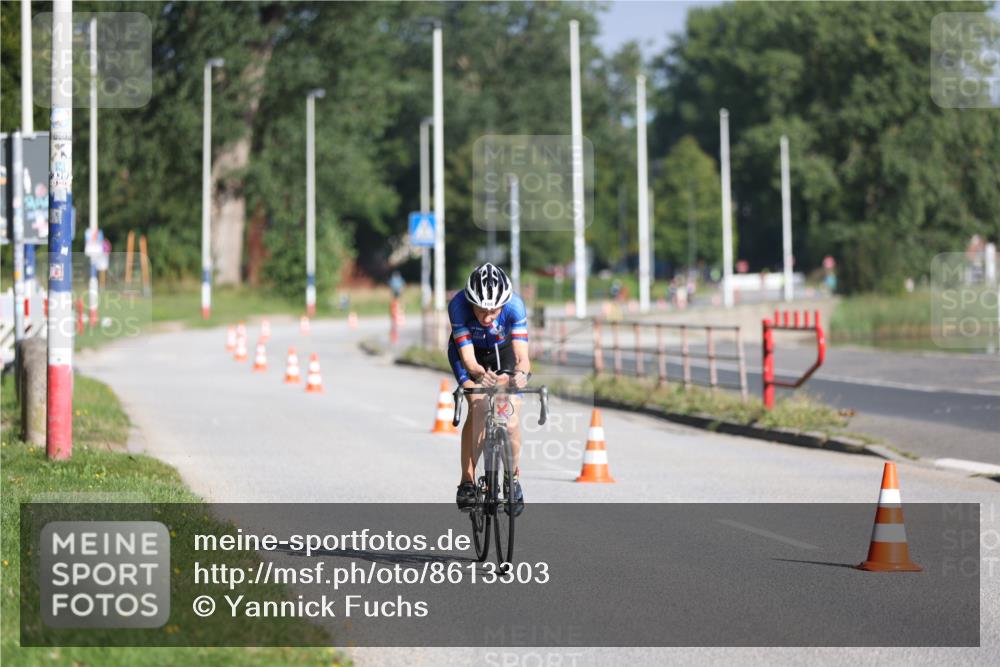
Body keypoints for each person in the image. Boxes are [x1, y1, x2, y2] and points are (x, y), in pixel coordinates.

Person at [448, 263, 531, 514]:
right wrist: (477, 376)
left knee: (512, 418)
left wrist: (521, 376)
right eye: (481, 310)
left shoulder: (515, 306)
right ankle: (468, 481)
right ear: (470, 302)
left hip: (502, 353)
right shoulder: (458, 306)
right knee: (478, 406)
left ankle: (512, 479)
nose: (486, 317)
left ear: (504, 305)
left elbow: (522, 358)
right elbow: (469, 359)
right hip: (469, 356)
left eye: (493, 311)